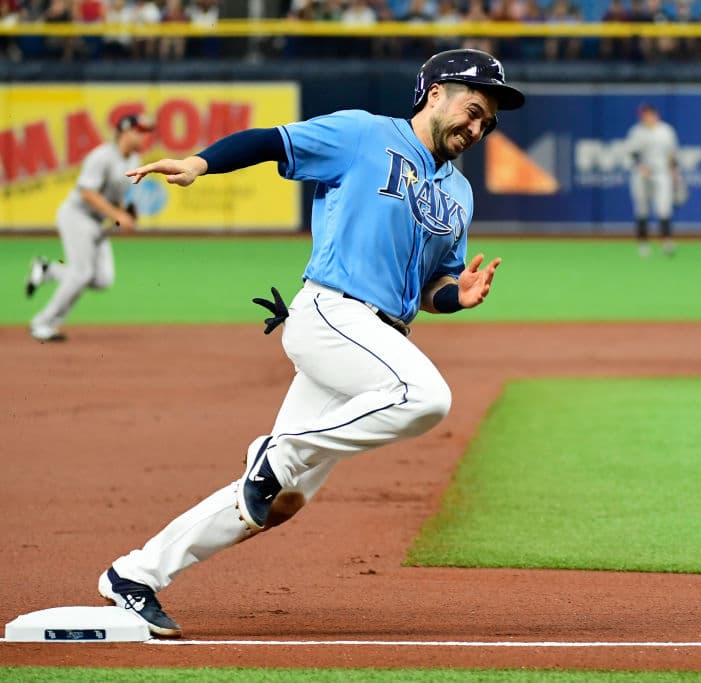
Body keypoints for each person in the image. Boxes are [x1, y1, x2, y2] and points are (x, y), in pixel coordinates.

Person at [94, 48, 525, 638]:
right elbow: (271, 141)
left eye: (487, 122)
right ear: (435, 94)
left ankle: (134, 575)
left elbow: (432, 285)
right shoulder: (363, 135)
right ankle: (280, 452)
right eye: (473, 110)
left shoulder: (459, 194)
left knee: (273, 502)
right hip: (332, 313)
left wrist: (457, 295)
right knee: (426, 397)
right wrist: (200, 162)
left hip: (375, 339)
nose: (477, 127)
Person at [24, 113, 153, 342]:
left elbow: (116, 198)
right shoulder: (102, 156)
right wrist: (117, 215)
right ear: (124, 131)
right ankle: (42, 323)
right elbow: (87, 192)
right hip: (77, 216)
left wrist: (125, 213)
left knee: (103, 279)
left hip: (97, 223)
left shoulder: (133, 160)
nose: (143, 136)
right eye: (139, 131)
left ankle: (48, 270)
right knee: (81, 273)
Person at [624, 103, 682, 256]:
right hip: (641, 173)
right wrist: (641, 166)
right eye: (645, 115)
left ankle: (667, 243)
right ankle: (643, 245)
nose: (648, 117)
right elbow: (631, 153)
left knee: (663, 208)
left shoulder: (666, 131)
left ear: (656, 115)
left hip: (662, 173)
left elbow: (672, 154)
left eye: (650, 114)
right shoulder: (636, 132)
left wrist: (675, 174)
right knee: (642, 209)